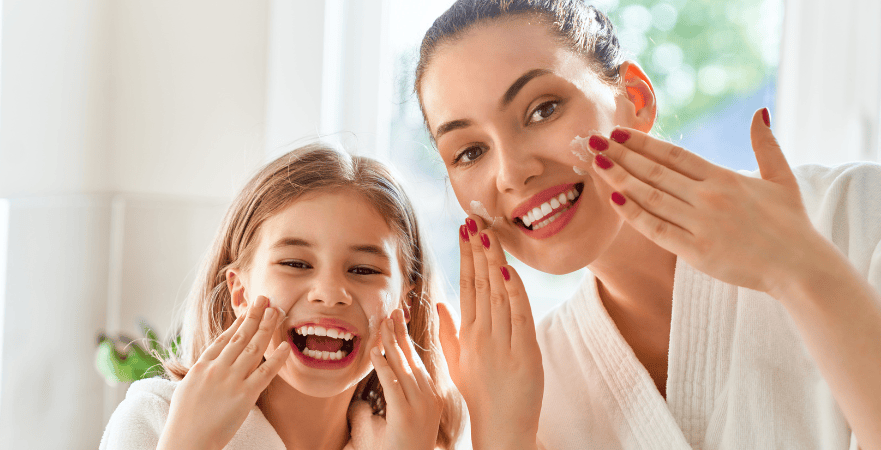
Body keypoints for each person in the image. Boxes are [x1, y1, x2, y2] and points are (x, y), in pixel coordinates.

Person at [413, 1, 881, 449]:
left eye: (543, 110)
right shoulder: (528, 387)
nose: (513, 173)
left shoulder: (856, 217)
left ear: (634, 99)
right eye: (470, 152)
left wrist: (804, 275)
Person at [99, 144, 463, 450]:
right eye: (295, 263)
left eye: (363, 270)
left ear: (406, 302)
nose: (330, 294)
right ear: (240, 292)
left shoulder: (416, 442)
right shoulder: (154, 422)